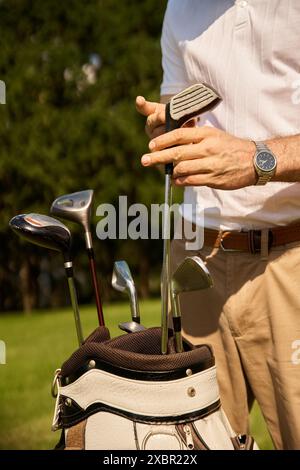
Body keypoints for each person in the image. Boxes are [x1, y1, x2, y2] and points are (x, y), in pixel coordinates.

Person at [136, 0, 300, 450]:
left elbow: (248, 152)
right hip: (194, 260)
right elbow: (180, 113)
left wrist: (256, 159)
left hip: (290, 260)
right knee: (190, 443)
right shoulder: (179, 10)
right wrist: (166, 129)